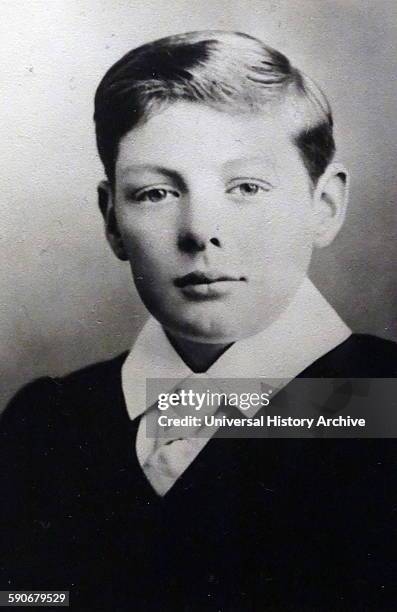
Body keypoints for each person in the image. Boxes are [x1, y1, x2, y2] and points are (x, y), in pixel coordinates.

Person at [1, 31, 396, 611]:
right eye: (156, 193)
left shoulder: (383, 399)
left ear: (324, 205)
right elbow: (25, 599)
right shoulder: (47, 425)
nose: (199, 230)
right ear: (113, 221)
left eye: (246, 187)